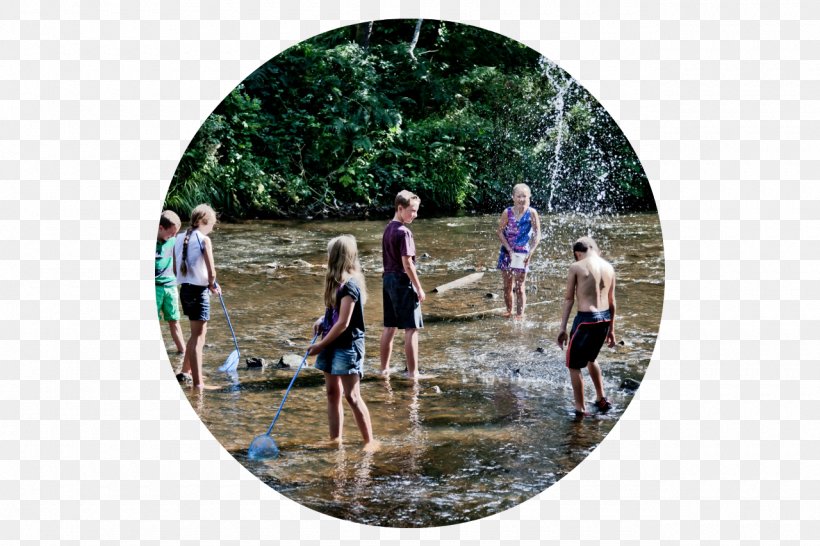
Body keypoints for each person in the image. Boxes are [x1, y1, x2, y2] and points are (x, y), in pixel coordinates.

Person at [308, 235, 374, 448]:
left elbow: (344, 323)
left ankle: (369, 442)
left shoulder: (350, 286)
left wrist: (320, 345)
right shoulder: (336, 283)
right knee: (332, 392)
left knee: (352, 396)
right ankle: (335, 439)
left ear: (336, 257)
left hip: (347, 346)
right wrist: (322, 319)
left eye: (329, 254)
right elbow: (335, 314)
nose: (326, 257)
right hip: (331, 341)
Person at [556, 236, 617, 417]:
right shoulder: (609, 267)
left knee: (574, 365)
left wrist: (562, 328)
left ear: (578, 253)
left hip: (585, 320)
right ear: (594, 248)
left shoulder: (576, 267)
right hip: (604, 319)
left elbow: (569, 299)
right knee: (591, 358)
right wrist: (612, 330)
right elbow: (612, 301)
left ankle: (580, 409)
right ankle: (601, 398)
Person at [379, 190, 425, 379]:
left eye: (416, 211)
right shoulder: (404, 232)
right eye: (412, 211)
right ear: (400, 208)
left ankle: (384, 369)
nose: (415, 215)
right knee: (411, 329)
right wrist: (419, 287)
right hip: (402, 281)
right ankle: (413, 373)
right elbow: (407, 263)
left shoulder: (388, 228)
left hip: (388, 280)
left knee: (389, 326)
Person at [174, 204, 220, 389]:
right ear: (204, 222)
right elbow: (212, 271)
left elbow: (175, 269)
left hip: (184, 289)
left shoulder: (178, 238)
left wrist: (210, 283)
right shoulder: (204, 240)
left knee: (197, 334)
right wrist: (212, 284)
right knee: (198, 337)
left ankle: (186, 370)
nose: (212, 229)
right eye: (212, 225)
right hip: (198, 291)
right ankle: (198, 384)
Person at [496, 183, 541, 319]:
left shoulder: (532, 213)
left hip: (523, 254)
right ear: (513, 197)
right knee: (507, 286)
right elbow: (499, 232)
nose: (522, 199)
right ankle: (509, 311)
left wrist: (531, 251)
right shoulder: (507, 212)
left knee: (520, 286)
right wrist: (509, 249)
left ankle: (520, 315)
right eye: (519, 196)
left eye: (524, 196)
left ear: (529, 197)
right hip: (506, 252)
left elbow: (537, 234)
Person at [155, 210, 185, 355]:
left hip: (171, 287)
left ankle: (183, 352)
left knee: (174, 321)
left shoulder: (174, 241)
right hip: (155, 288)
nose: (174, 237)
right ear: (160, 228)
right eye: (171, 233)